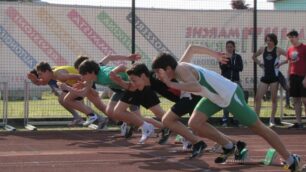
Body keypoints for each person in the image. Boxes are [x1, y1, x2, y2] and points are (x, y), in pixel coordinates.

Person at [151, 44, 300, 172]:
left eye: (158, 72)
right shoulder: (180, 65)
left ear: (168, 68)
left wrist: (170, 84)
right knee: (195, 123)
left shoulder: (181, 69)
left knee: (258, 127)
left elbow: (195, 86)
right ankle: (229, 146)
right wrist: (215, 54)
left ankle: (291, 159)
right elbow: (192, 48)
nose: (157, 76)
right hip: (215, 98)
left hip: (230, 95)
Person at [111, 63, 204, 148]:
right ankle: (147, 126)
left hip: (186, 96)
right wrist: (118, 79)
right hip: (138, 90)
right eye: (131, 80)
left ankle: (187, 137)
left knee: (167, 117)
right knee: (117, 112)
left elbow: (180, 81)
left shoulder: (159, 79)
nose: (131, 83)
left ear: (143, 76)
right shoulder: (137, 80)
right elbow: (129, 80)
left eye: (133, 80)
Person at [252, 33, 287, 127]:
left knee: (274, 99)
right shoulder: (263, 49)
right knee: (257, 98)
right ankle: (256, 119)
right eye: (267, 40)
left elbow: (289, 57)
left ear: (274, 41)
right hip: (265, 78)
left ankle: (272, 120)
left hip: (274, 78)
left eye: (270, 40)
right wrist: (260, 63)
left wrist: (281, 63)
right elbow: (254, 57)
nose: (268, 42)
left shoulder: (278, 49)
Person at [284, 30, 306, 129]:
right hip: (293, 77)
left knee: (304, 100)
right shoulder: (290, 50)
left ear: (297, 37)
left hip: (303, 77)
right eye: (289, 38)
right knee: (296, 100)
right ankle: (299, 122)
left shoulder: (304, 48)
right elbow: (290, 65)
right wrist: (288, 79)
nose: (291, 39)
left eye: (292, 37)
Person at [219, 40, 243, 127]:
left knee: (238, 99)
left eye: (231, 47)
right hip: (225, 81)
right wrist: (229, 64)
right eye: (228, 47)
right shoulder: (223, 56)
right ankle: (225, 119)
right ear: (226, 48)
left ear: (234, 48)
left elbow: (240, 68)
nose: (229, 48)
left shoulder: (238, 57)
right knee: (226, 100)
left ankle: (236, 118)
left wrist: (229, 65)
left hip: (236, 81)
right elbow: (222, 67)